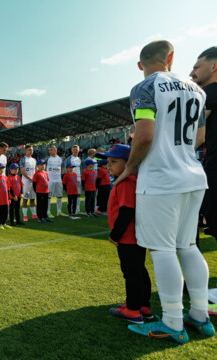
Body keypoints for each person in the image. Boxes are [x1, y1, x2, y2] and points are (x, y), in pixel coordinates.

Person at [119, 40, 213, 343]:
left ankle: (173, 320)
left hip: (161, 179)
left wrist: (130, 167)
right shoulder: (197, 89)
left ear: (140, 65)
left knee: (162, 250)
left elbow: (144, 135)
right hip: (193, 176)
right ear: (170, 58)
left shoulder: (144, 87)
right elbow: (199, 137)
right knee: (188, 246)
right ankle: (199, 314)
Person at [97, 145, 153, 324]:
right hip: (135, 236)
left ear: (130, 163)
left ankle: (133, 310)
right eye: (108, 162)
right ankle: (142, 306)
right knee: (139, 270)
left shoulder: (126, 182)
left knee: (131, 273)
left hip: (128, 237)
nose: (108, 165)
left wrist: (115, 235)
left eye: (114, 162)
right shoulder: (129, 181)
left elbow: (126, 211)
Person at [190, 46, 217, 239]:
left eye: (197, 67)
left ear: (214, 66)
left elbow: (195, 136)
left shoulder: (207, 93)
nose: (192, 73)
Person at [46, 145, 65, 218]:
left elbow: (62, 167)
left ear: (55, 150)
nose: (50, 151)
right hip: (50, 180)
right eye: (49, 150)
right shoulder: (47, 158)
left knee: (59, 196)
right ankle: (48, 212)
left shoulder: (60, 159)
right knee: (49, 196)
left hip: (58, 180)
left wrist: (59, 175)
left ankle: (59, 211)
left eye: (51, 150)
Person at [20, 145, 38, 221]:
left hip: (33, 182)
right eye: (29, 150)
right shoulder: (23, 160)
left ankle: (34, 214)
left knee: (33, 198)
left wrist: (35, 179)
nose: (31, 151)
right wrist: (31, 179)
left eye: (32, 150)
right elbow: (23, 172)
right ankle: (25, 216)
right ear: (25, 151)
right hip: (26, 182)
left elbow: (36, 171)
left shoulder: (34, 160)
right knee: (25, 199)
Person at [32, 159, 52, 224]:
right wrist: (36, 191)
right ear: (37, 166)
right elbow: (34, 184)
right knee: (40, 205)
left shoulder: (46, 173)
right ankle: (40, 217)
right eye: (41, 165)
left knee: (45, 205)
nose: (43, 166)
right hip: (39, 192)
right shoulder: (36, 174)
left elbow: (46, 181)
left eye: (44, 164)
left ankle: (45, 216)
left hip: (46, 191)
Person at [65, 145, 83, 214]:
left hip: (78, 178)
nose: (75, 151)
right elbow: (66, 169)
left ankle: (77, 210)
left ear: (79, 150)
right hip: (71, 179)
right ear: (72, 150)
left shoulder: (79, 159)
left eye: (76, 149)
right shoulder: (69, 159)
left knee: (78, 194)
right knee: (70, 195)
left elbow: (80, 169)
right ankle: (70, 210)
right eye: (74, 149)